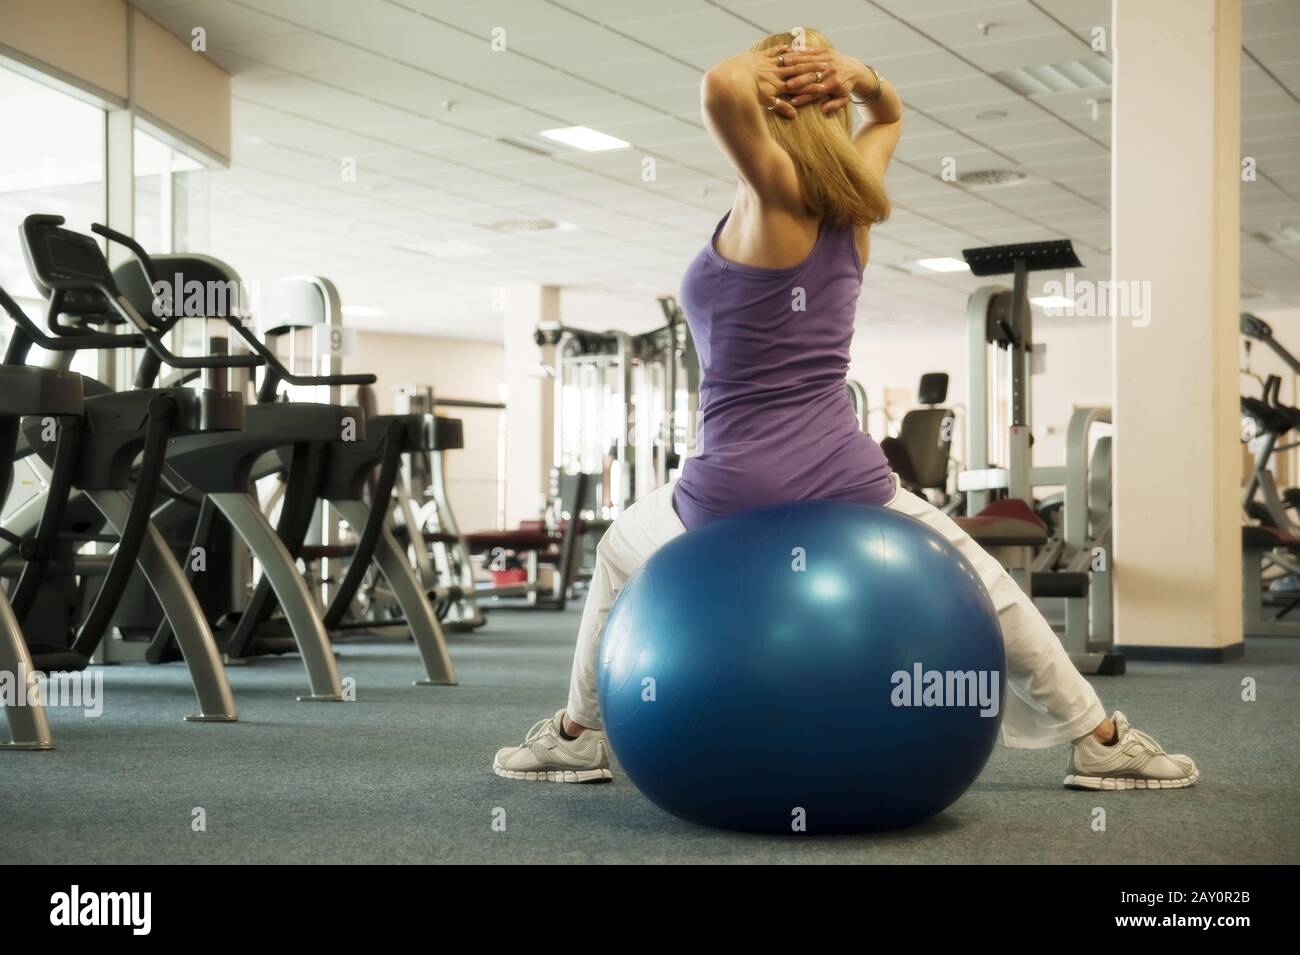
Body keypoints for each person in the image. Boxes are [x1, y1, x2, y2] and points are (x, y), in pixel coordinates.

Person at [494, 28, 1198, 793]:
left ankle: (576, 735)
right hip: (846, 472)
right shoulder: (850, 203)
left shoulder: (778, 202)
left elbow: (719, 88)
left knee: (617, 554)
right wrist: (858, 77)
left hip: (734, 488)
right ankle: (1100, 739)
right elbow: (889, 116)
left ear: (778, 107)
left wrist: (767, 68)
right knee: (986, 584)